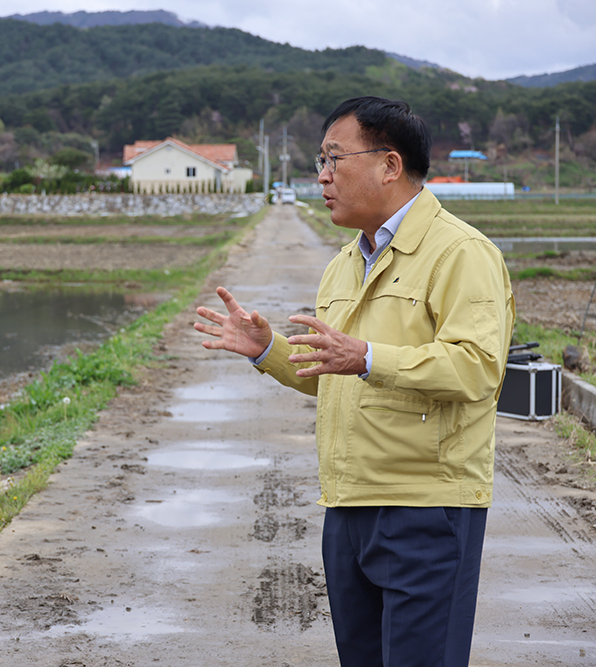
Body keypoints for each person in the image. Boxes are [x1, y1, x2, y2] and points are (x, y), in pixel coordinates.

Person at [194, 97, 514, 667]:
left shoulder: (462, 253)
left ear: (390, 165)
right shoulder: (345, 261)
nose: (321, 176)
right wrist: (269, 349)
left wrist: (367, 355)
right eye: (321, 160)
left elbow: (477, 368)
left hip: (427, 507)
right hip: (347, 508)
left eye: (334, 159)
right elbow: (336, 372)